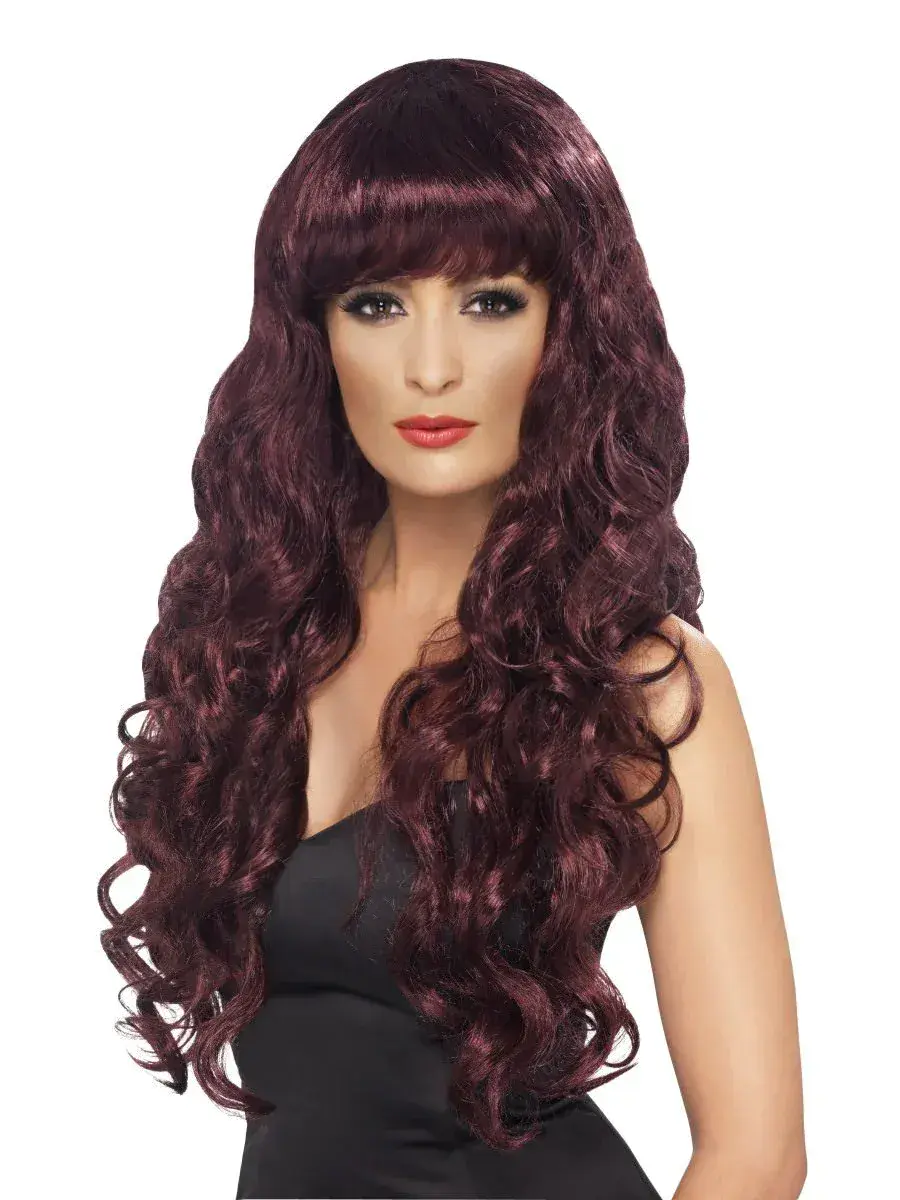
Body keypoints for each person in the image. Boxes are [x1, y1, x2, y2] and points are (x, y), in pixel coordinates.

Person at [98, 57, 806, 1200]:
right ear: (315, 335)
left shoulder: (640, 683)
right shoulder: (256, 644)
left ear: (568, 329)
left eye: (491, 302)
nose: (431, 367)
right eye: (377, 304)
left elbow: (757, 1157)